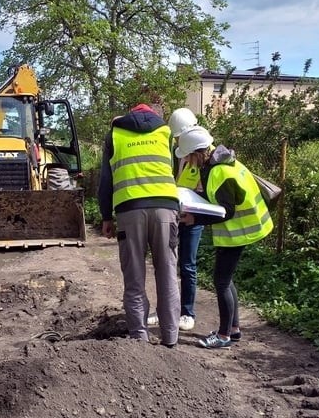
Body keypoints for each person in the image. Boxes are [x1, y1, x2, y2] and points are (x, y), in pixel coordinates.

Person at [175, 126, 274, 349]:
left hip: (241, 230)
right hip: (244, 227)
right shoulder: (220, 162)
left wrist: (195, 219)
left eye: (190, 157)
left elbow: (225, 211)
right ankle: (233, 329)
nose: (189, 162)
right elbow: (215, 197)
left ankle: (223, 335)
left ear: (199, 153)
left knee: (221, 282)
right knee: (226, 280)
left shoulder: (219, 172)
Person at [98, 101, 181, 348]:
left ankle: (139, 340)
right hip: (165, 209)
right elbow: (173, 171)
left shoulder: (115, 134)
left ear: (129, 114)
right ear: (154, 115)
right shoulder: (166, 133)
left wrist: (105, 216)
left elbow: (105, 180)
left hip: (129, 210)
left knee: (134, 276)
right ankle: (171, 338)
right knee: (167, 274)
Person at [147, 107, 203, 332]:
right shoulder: (177, 151)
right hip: (175, 212)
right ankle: (165, 310)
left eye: (180, 137)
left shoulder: (201, 153)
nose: (179, 141)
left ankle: (187, 313)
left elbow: (206, 191)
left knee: (187, 265)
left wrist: (194, 214)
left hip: (193, 217)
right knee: (166, 262)